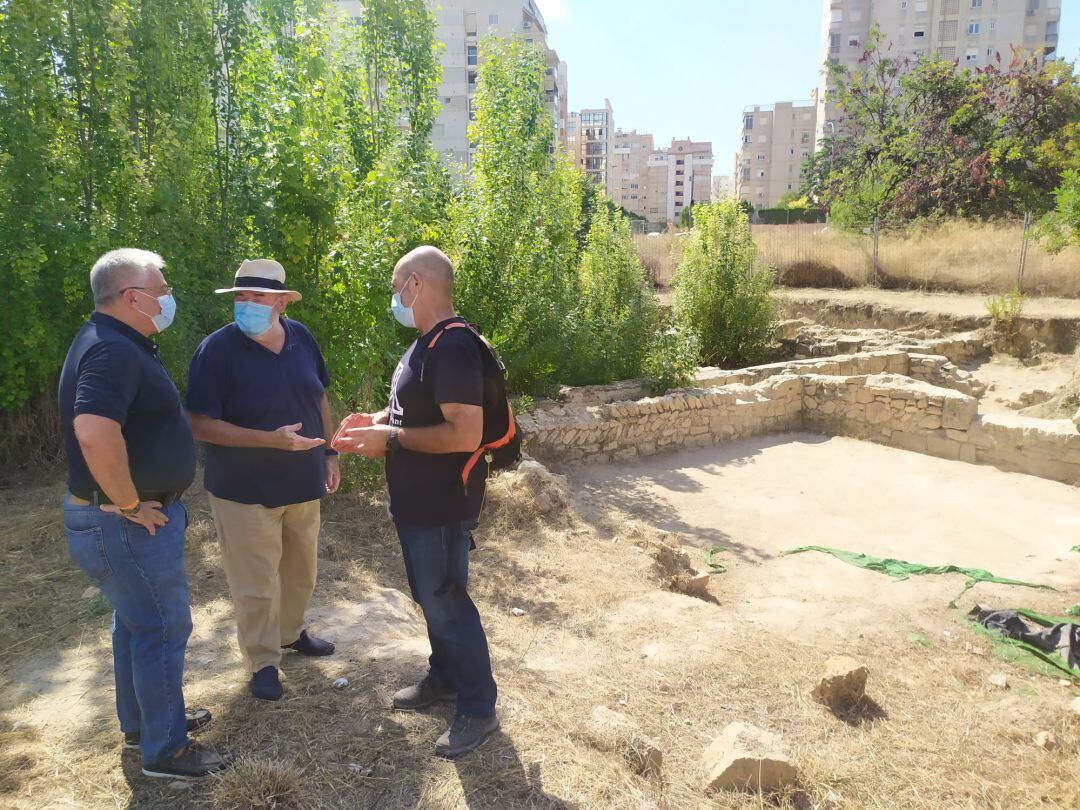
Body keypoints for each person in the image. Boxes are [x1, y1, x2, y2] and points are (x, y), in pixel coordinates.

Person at [58, 249, 225, 779]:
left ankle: (146, 727)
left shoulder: (118, 342)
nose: (169, 294)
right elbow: (94, 430)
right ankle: (167, 752)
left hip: (118, 522)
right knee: (160, 625)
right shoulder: (112, 351)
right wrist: (129, 502)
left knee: (135, 625)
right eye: (163, 286)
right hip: (123, 524)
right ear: (133, 297)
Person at [334, 246, 499, 759]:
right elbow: (413, 407)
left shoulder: (451, 346)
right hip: (420, 500)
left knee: (446, 602)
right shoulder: (426, 345)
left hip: (442, 502)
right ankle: (445, 678)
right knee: (434, 597)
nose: (393, 297)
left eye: (394, 286)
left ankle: (478, 708)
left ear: (417, 284)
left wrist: (394, 439)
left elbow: (464, 431)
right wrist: (377, 419)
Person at [186, 259, 338, 701]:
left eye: (258, 297)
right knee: (254, 584)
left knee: (300, 574)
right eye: (240, 297)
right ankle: (262, 661)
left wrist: (328, 452)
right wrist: (269, 441)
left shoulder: (302, 337)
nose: (246, 305)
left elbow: (319, 396)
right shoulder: (217, 350)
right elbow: (199, 423)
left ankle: (290, 634)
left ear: (282, 301)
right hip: (244, 490)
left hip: (303, 482)